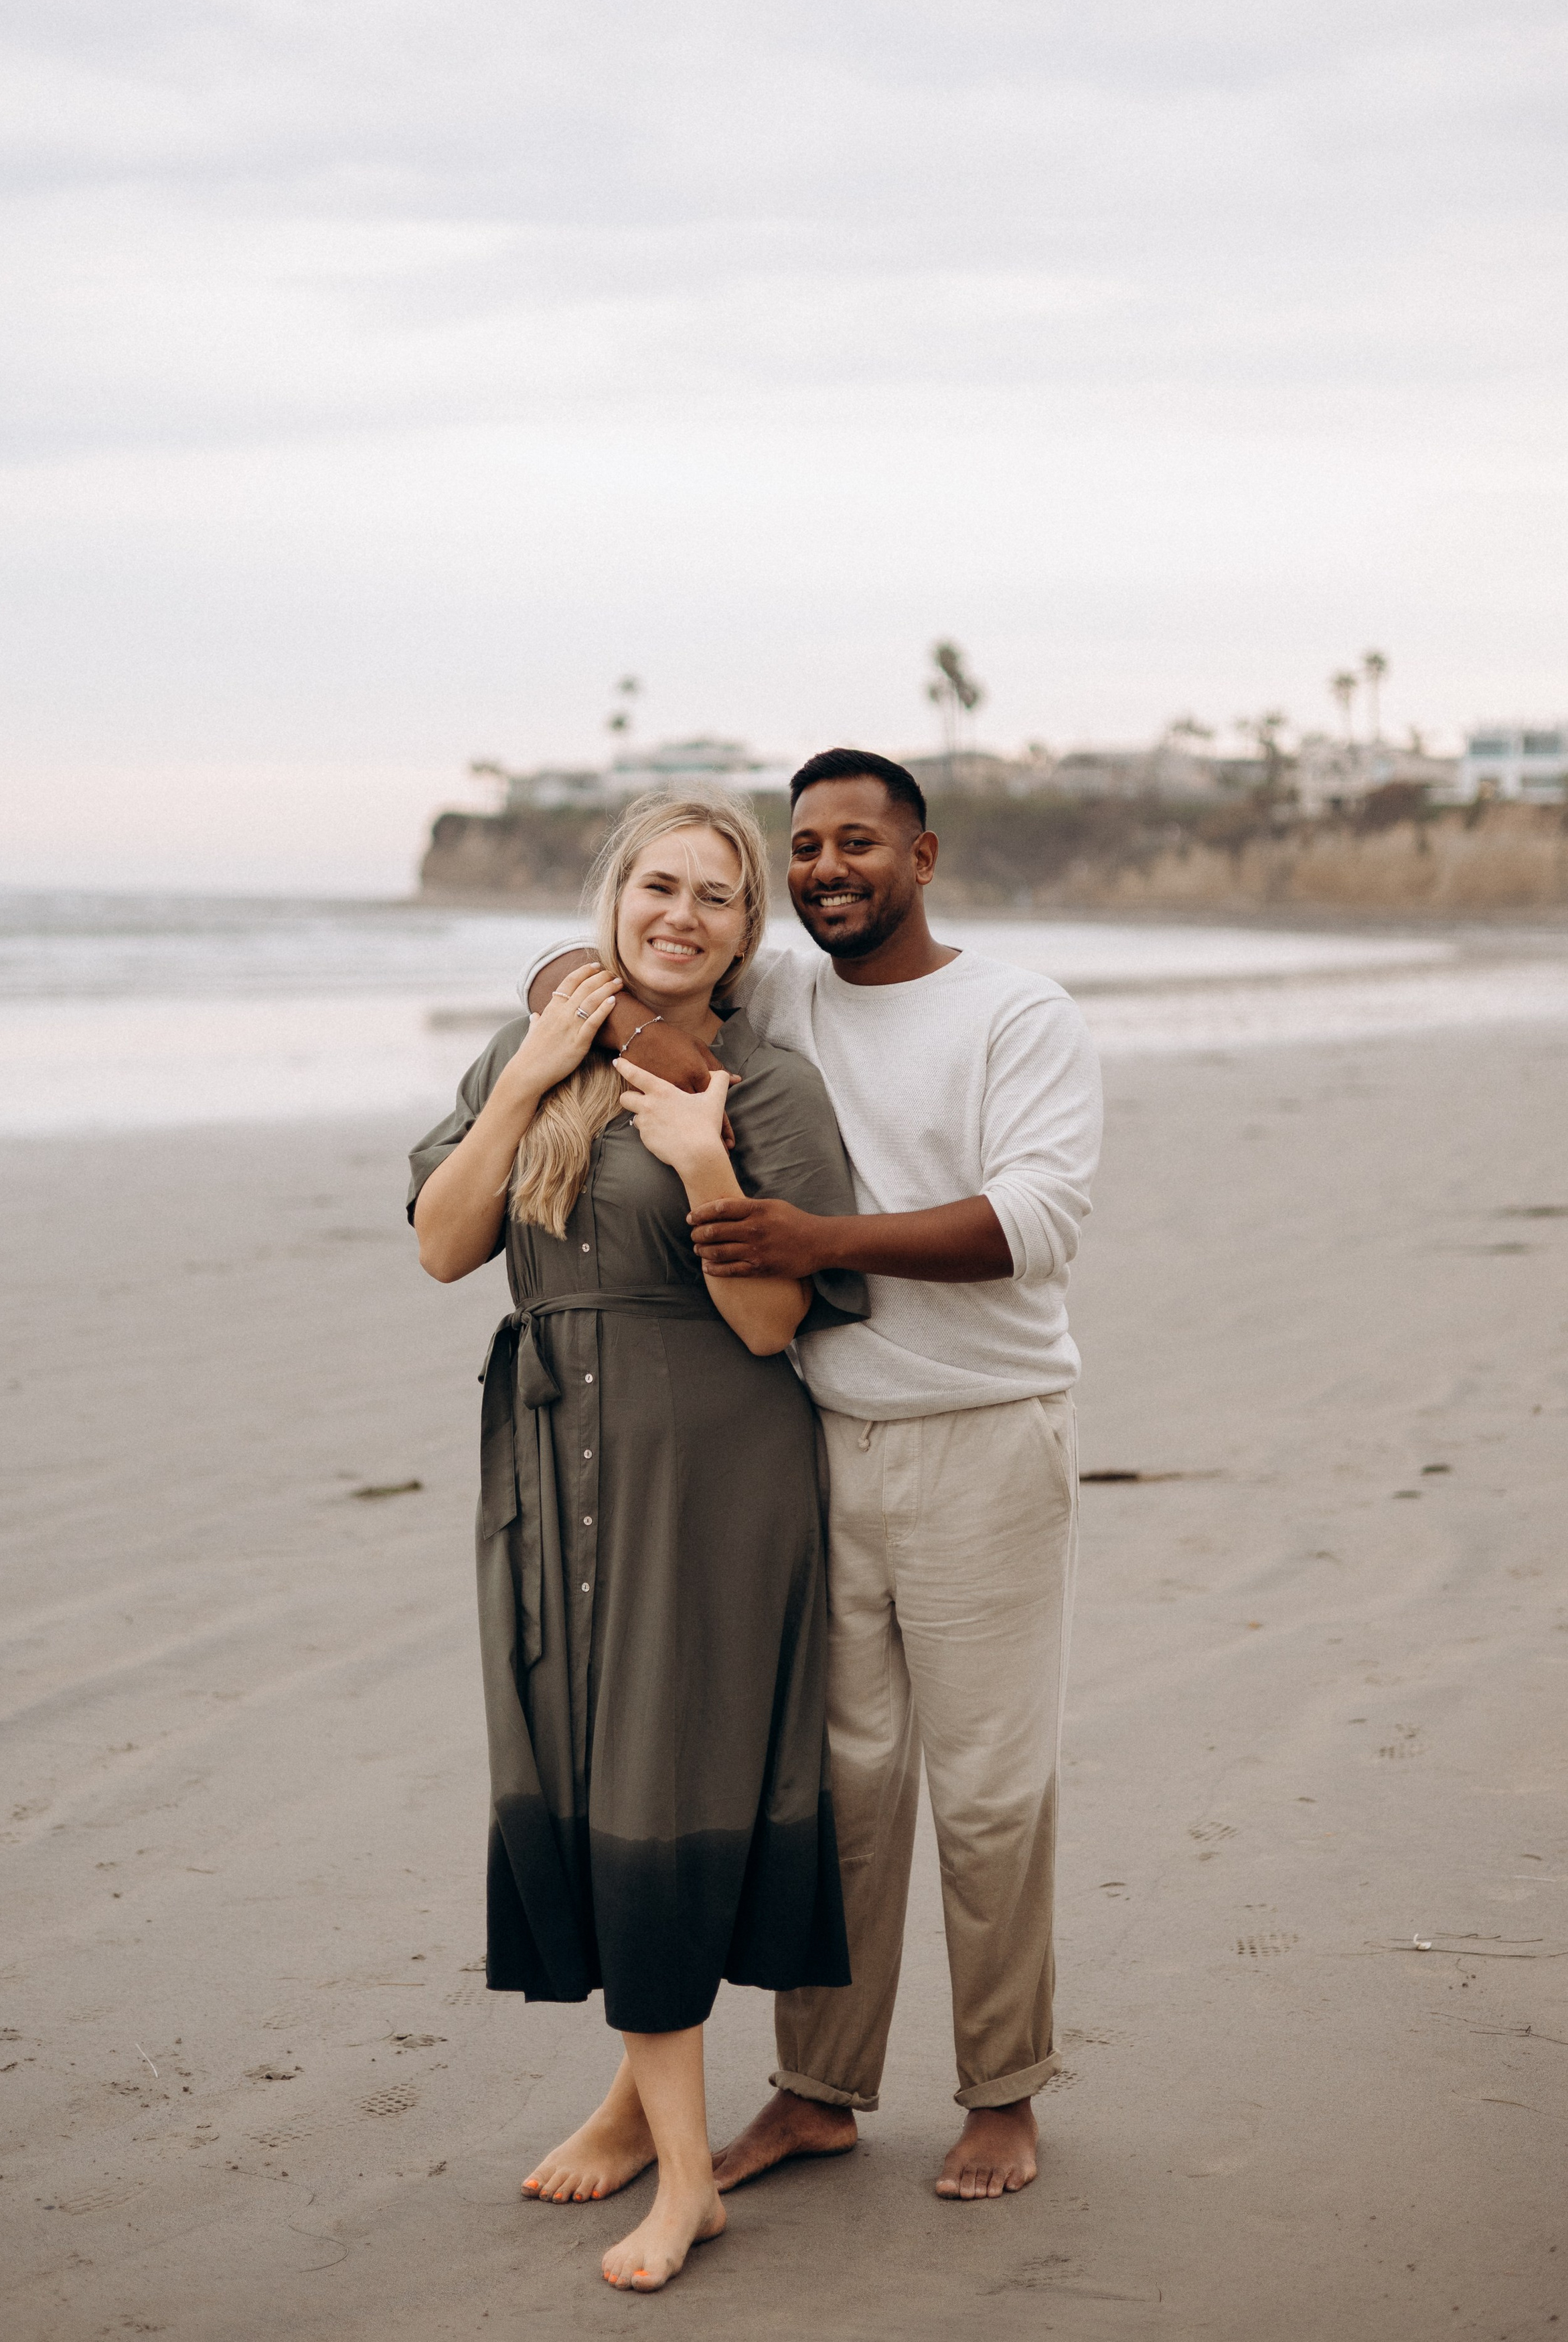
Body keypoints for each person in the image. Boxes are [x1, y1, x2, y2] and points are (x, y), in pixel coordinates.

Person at [528, 747, 1101, 2203]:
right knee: (838, 1793)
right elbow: (610, 975)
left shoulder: (1015, 1012)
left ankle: (1002, 2092)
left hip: (984, 1429)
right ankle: (819, 2091)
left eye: (860, 842)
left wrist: (815, 1241)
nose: (828, 868)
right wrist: (569, 993)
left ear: (922, 856)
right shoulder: (778, 997)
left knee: (983, 1790)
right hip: (820, 1440)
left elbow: (1037, 1218)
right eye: (805, 849)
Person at [409, 791, 866, 2292]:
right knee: (591, 1768)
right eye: (655, 885)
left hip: (710, 1472)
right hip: (552, 1451)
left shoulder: (768, 1086)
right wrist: (528, 1075)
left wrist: (705, 1162)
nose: (680, 914)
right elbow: (443, 1244)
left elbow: (768, 1321)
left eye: (716, 898)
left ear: (746, 934)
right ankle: (636, 2100)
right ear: (613, 896)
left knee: (659, 1785)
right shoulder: (529, 1042)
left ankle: (687, 2185)